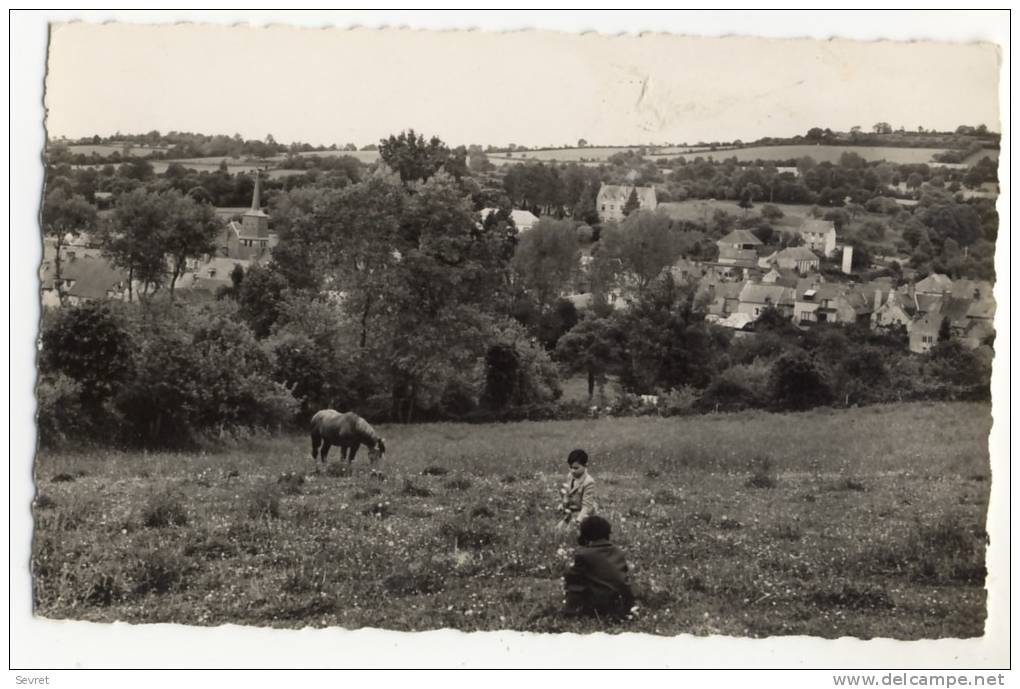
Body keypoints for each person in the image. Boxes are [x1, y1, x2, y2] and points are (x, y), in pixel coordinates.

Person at [563, 515, 635, 619]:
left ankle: (571, 612)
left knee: (575, 585)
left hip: (598, 606)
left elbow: (571, 577)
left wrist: (567, 570)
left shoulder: (584, 554)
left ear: (585, 534)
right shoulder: (619, 552)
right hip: (620, 604)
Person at [558, 448, 596, 529]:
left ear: (585, 466)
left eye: (576, 468)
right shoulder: (570, 476)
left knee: (570, 533)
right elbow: (568, 494)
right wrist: (563, 505)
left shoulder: (589, 482)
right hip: (571, 512)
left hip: (583, 514)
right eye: (571, 467)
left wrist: (578, 521)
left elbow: (587, 506)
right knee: (558, 530)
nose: (572, 471)